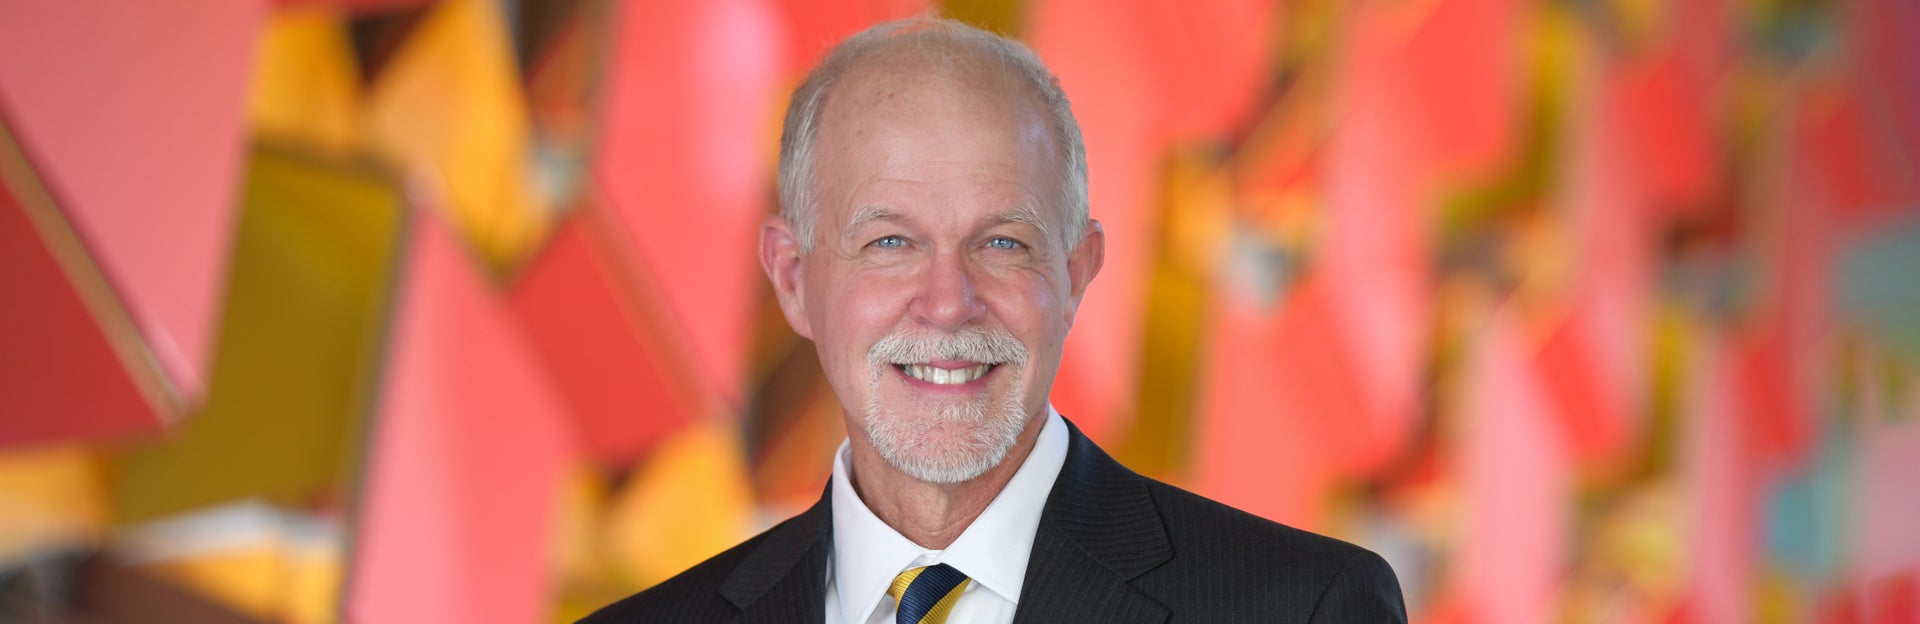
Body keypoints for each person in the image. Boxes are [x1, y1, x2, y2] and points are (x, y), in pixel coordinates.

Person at [583, 16, 1406, 624]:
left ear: (1079, 273)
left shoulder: (1305, 608)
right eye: (890, 241)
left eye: (1003, 243)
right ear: (793, 279)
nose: (947, 302)